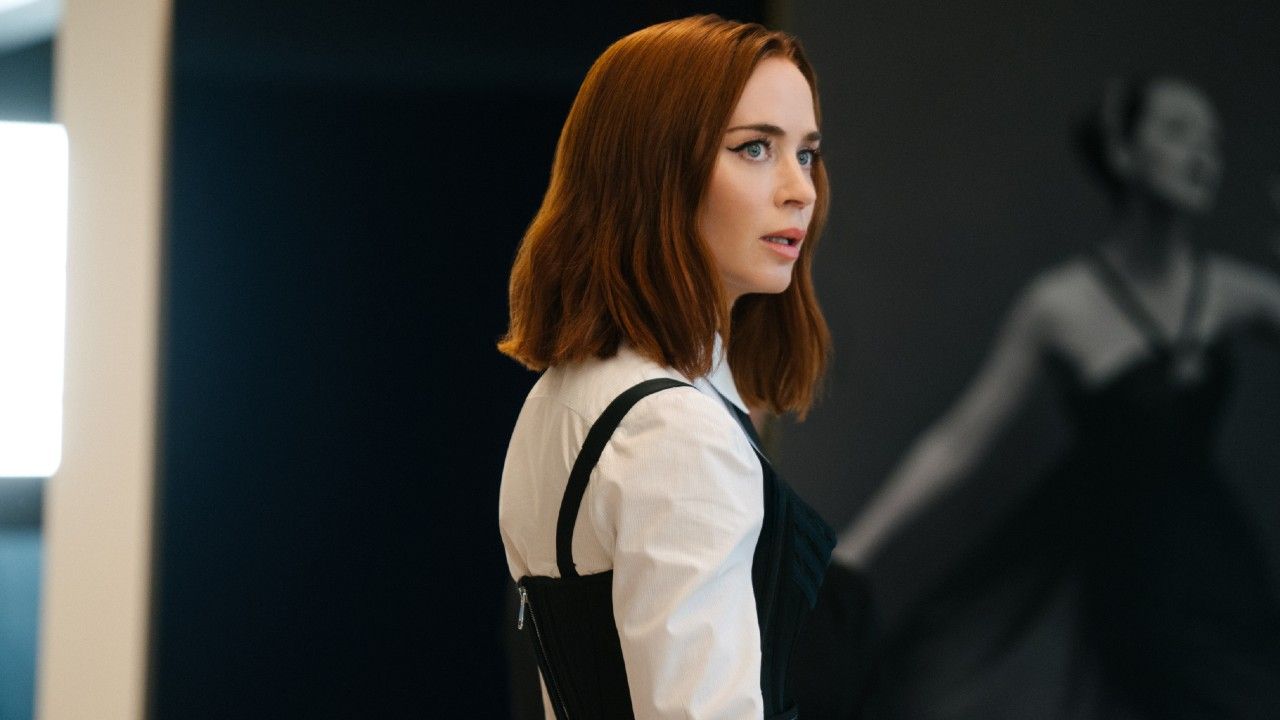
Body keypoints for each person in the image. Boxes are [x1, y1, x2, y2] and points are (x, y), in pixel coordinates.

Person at [827, 77, 1280, 719]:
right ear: (1123, 151)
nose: (1203, 154)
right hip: (1102, 563)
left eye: (1213, 140)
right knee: (944, 684)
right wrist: (849, 552)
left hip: (1208, 562)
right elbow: (959, 441)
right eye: (1179, 131)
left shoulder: (1233, 292)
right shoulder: (1061, 304)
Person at [497, 15, 836, 720]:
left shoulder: (563, 396)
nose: (800, 189)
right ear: (655, 167)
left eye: (806, 153)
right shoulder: (674, 429)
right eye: (754, 148)